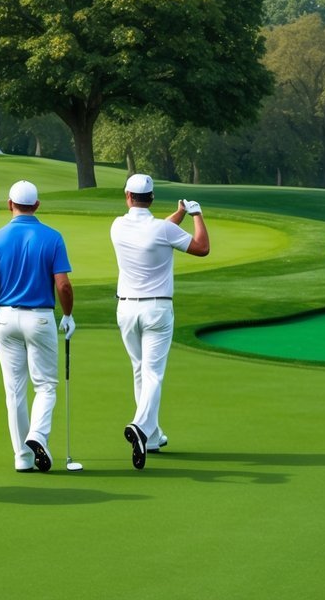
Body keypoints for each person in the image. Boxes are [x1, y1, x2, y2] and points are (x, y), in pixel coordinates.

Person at [110, 173, 209, 470]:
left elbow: (158, 231)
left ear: (128, 196)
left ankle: (151, 437)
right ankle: (140, 427)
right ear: (151, 198)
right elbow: (202, 248)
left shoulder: (117, 225)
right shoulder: (162, 230)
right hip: (157, 310)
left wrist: (177, 215)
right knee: (153, 374)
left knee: (140, 371)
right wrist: (196, 214)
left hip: (126, 310)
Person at [0, 180, 75, 472]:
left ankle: (22, 457)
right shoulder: (52, 237)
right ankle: (38, 435)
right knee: (45, 385)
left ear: (9, 204)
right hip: (40, 317)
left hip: (5, 317)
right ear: (36, 205)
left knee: (14, 390)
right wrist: (68, 315)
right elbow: (64, 285)